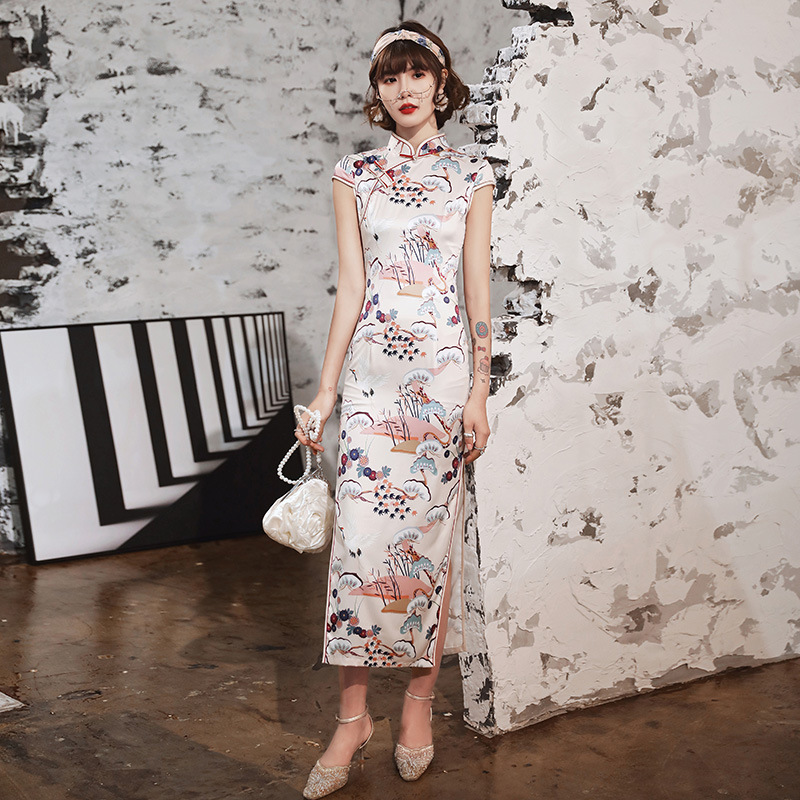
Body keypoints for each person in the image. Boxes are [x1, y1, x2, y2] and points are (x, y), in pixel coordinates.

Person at [296, 20, 494, 799]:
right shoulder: (354, 174)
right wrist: (325, 390)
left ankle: (416, 709)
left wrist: (480, 389)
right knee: (358, 555)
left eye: (417, 74)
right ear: (377, 91)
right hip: (373, 386)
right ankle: (352, 721)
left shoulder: (471, 173)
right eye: (390, 76)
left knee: (427, 557)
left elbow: (477, 294)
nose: (404, 89)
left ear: (441, 84)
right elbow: (351, 288)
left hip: (442, 387)